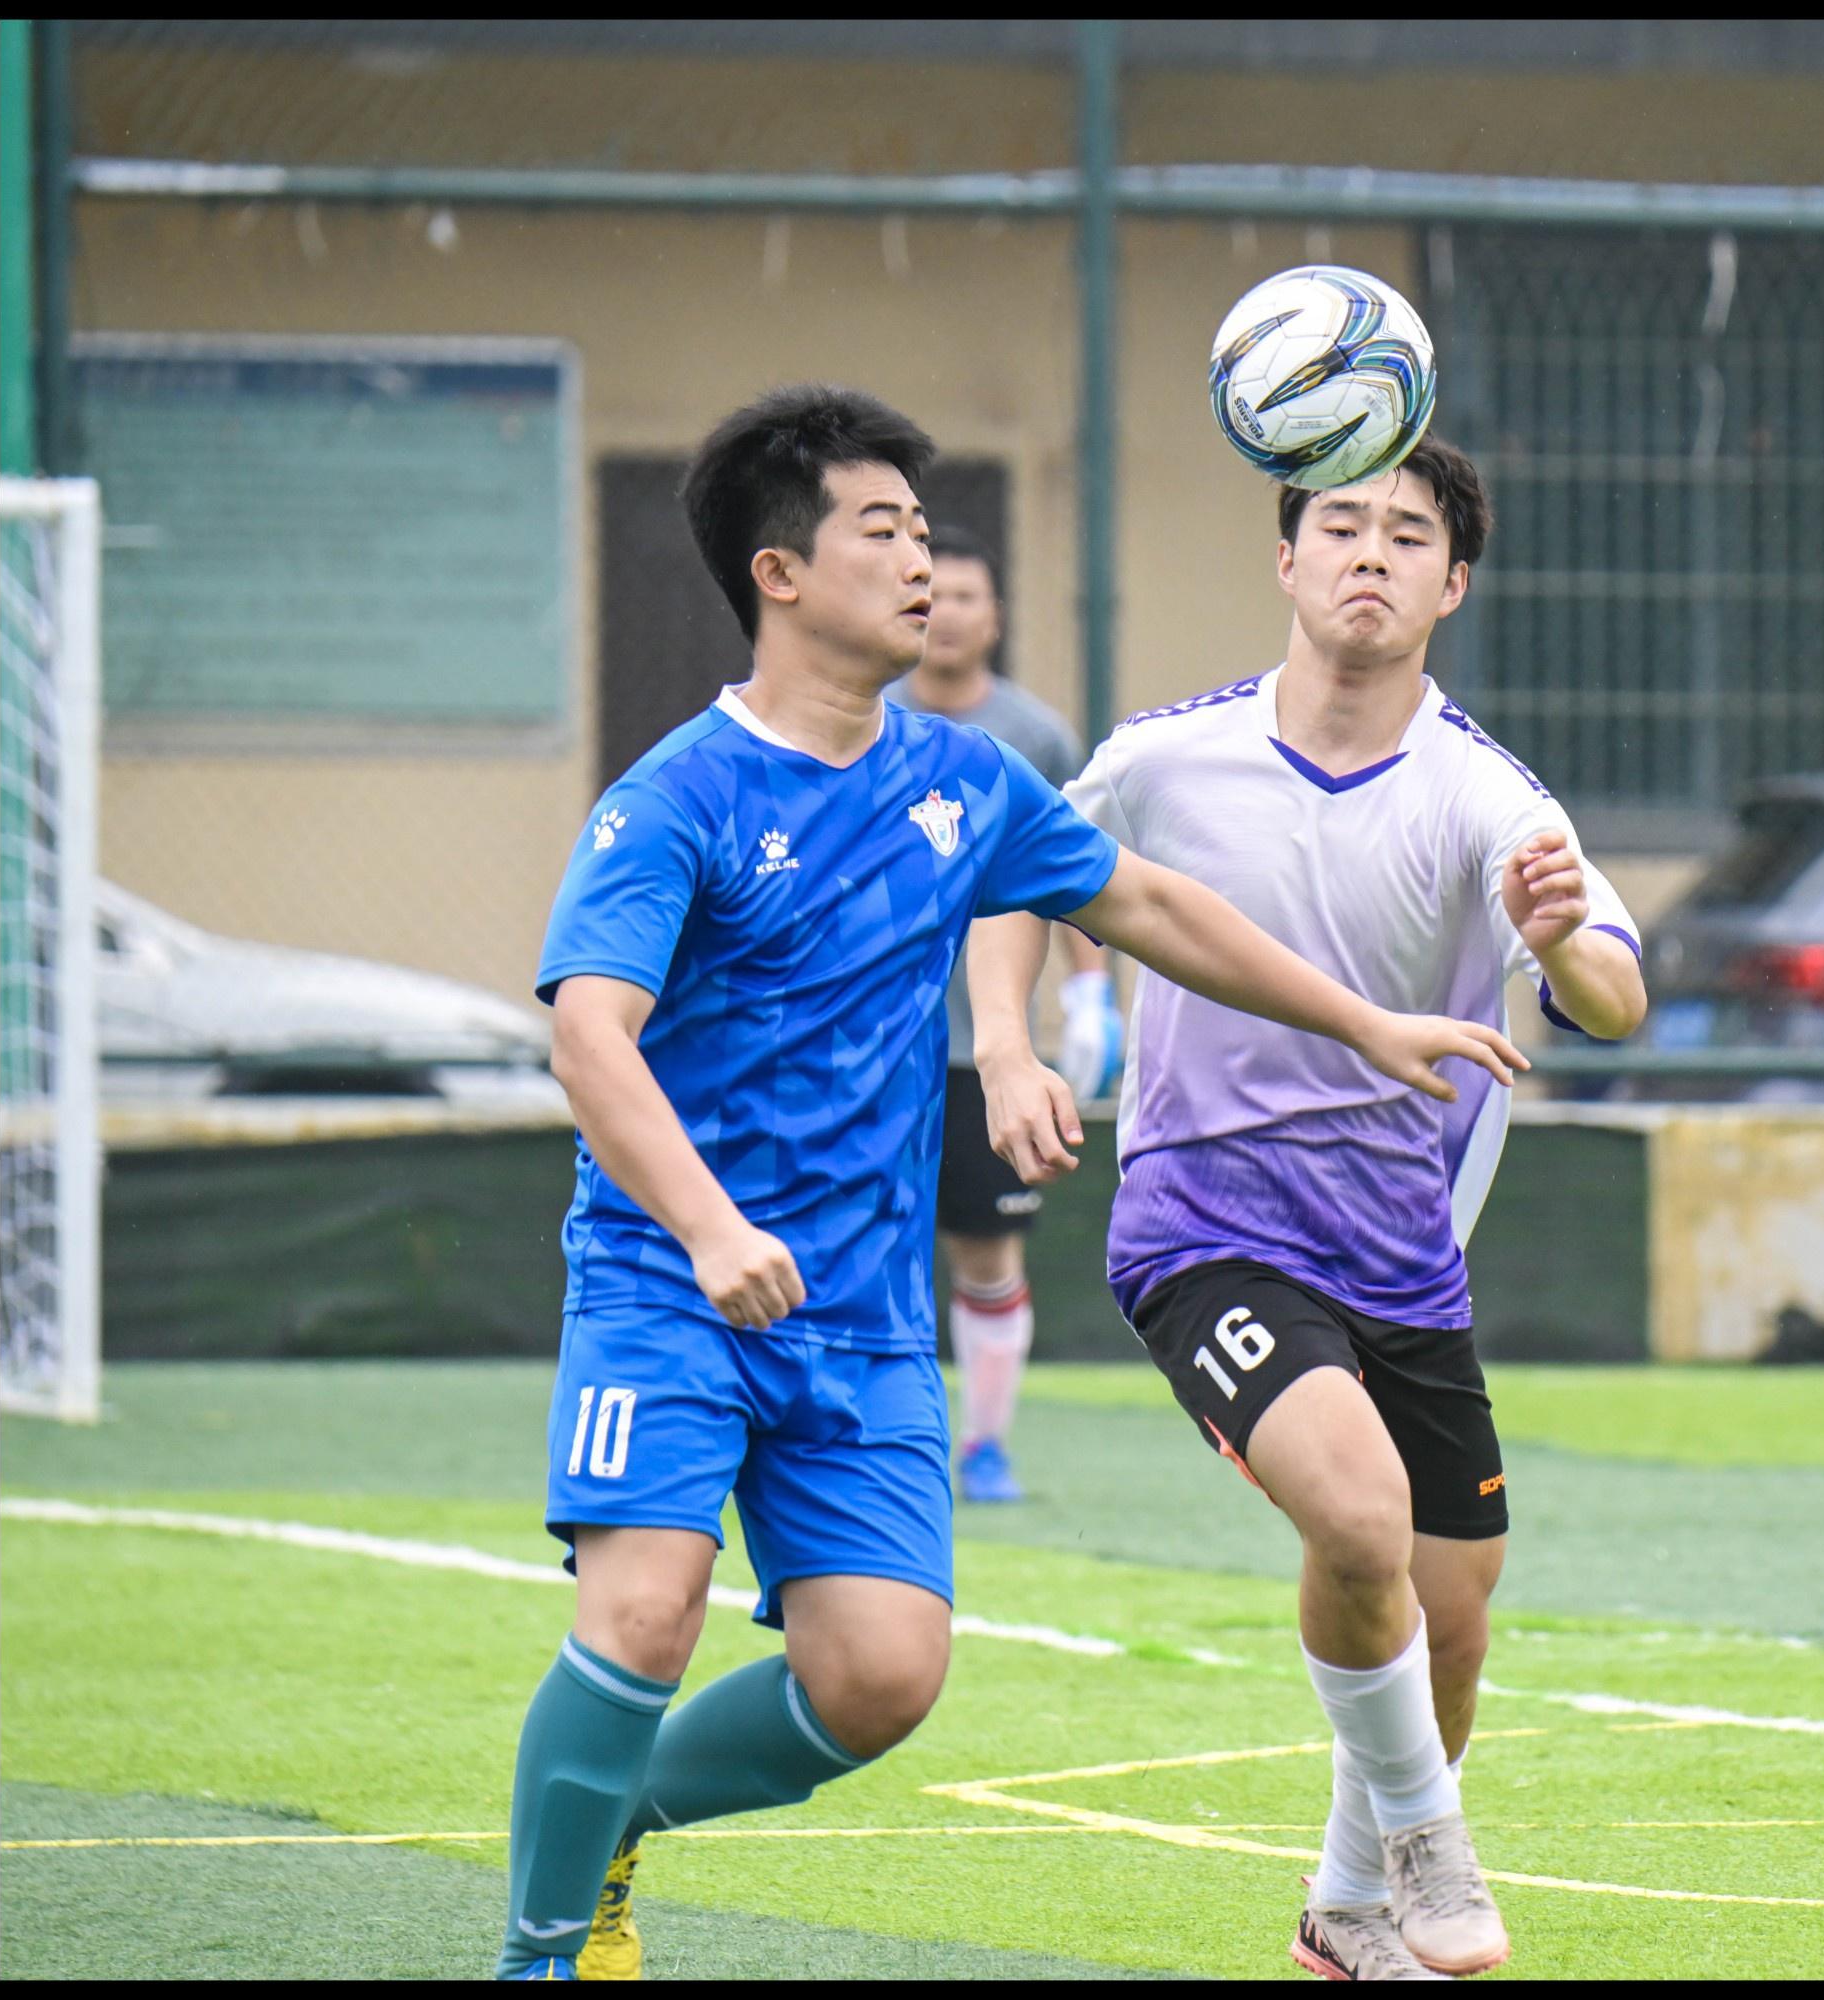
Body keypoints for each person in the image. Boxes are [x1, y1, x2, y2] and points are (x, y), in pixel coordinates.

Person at [499, 385, 1525, 1981]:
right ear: (780, 572)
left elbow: (1154, 909)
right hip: (671, 1286)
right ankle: (542, 1954)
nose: (925, 563)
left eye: (927, 531)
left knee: (882, 1679)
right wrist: (705, 1230)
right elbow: (588, 1042)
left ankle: (603, 1819)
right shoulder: (675, 798)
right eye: (885, 531)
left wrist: (1362, 1018)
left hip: (860, 1313)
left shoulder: (962, 778)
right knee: (646, 1614)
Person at [970, 437, 1647, 1982]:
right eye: (1339, 523)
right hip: (1203, 1227)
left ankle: (1347, 1913)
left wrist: (1567, 941)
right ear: (1284, 559)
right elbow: (1019, 882)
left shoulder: (1487, 792)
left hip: (1403, 1253)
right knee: (1352, 1517)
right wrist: (1008, 1046)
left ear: (1452, 584)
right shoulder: (1163, 757)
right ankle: (1429, 1841)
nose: (1370, 553)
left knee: (1452, 1615)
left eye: (1408, 535)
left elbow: (1609, 991)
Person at [892, 526, 1119, 1505]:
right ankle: (875, 1442)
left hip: (984, 1050)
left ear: (996, 617)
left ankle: (984, 1445)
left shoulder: (1035, 735)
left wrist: (1091, 993)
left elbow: (1078, 871)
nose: (946, 614)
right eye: (929, 593)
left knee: (987, 1247)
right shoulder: (864, 717)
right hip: (873, 1045)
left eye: (967, 596)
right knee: (868, 1242)